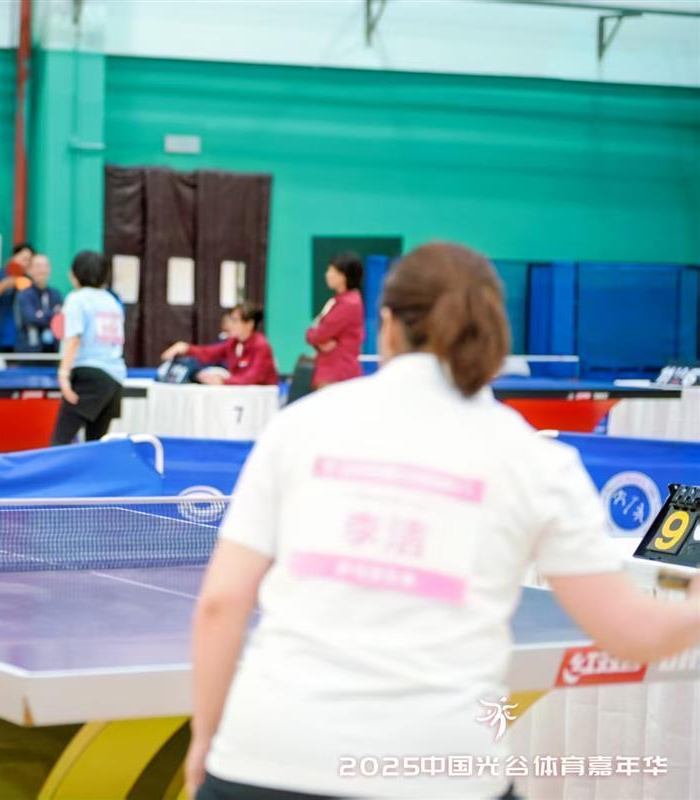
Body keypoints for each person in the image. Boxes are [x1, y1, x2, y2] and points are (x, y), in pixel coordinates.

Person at [187, 242, 700, 799]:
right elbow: (631, 631)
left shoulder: (299, 425)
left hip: (265, 758)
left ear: (386, 325)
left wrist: (205, 741)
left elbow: (221, 603)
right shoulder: (537, 461)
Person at [51, 251, 126, 445]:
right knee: (95, 444)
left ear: (76, 274)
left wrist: (63, 375)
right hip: (115, 379)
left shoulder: (77, 299)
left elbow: (73, 338)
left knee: (60, 442)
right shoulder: (112, 301)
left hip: (88, 375)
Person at [161, 304, 278, 386]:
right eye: (230, 320)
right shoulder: (233, 343)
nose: (230, 325)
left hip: (260, 399)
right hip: (241, 395)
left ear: (249, 324)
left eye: (235, 321)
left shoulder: (261, 345)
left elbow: (253, 377)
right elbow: (209, 353)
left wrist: (223, 381)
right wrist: (186, 348)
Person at [305, 251, 365, 388]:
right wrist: (317, 339)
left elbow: (320, 333)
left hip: (338, 374)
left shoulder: (349, 303)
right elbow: (318, 333)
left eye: (332, 271)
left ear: (344, 276)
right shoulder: (339, 300)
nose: (327, 275)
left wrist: (314, 335)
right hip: (331, 372)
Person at [0, 241, 34, 352]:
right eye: (23, 259)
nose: (25, 263)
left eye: (29, 261)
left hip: (22, 341)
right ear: (13, 257)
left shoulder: (29, 280)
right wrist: (6, 283)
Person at [16, 253, 63, 353]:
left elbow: (60, 321)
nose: (42, 270)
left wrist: (41, 315)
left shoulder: (56, 295)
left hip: (53, 351)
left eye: (45, 266)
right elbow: (30, 318)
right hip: (30, 351)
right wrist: (51, 314)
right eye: (38, 266)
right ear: (29, 270)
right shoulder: (24, 295)